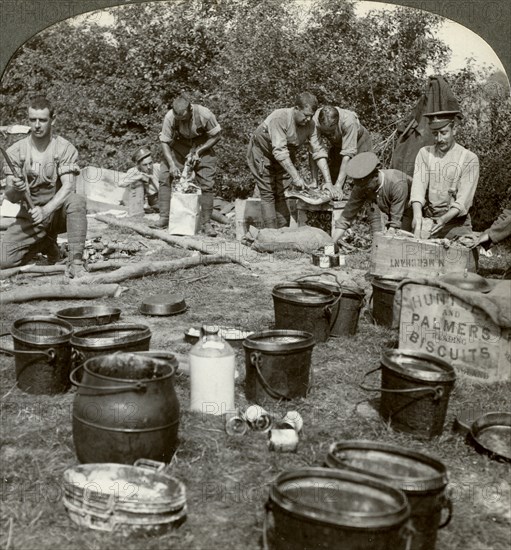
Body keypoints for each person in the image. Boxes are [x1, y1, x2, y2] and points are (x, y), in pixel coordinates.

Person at [0, 95, 87, 278]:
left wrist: (46, 210)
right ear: (28, 120)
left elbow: (68, 187)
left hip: (57, 214)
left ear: (52, 120)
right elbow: (11, 196)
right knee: (3, 260)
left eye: (42, 120)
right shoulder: (15, 151)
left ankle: (76, 262)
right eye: (33, 120)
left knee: (77, 201)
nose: (37, 125)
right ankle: (44, 242)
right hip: (30, 219)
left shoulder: (64, 148)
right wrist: (16, 188)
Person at [246, 92, 332, 229]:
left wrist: (328, 182)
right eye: (305, 115)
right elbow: (279, 151)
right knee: (268, 193)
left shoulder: (311, 125)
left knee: (282, 192)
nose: (308, 119)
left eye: (311, 115)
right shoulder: (280, 117)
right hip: (263, 152)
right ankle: (271, 234)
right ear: (296, 108)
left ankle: (284, 232)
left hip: (284, 153)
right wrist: (296, 177)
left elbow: (318, 151)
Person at [154, 95, 221, 236]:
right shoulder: (169, 117)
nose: (182, 121)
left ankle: (206, 223)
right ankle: (164, 218)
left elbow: (216, 136)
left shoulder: (205, 114)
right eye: (179, 119)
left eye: (184, 118)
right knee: (164, 176)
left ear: (190, 109)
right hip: (178, 146)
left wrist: (199, 151)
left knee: (207, 184)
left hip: (203, 146)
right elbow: (164, 141)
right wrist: (172, 164)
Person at [410, 110, 480, 239]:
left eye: (444, 133)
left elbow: (463, 200)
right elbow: (418, 188)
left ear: (454, 130)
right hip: (430, 222)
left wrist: (444, 219)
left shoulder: (469, 158)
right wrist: (417, 216)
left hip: (457, 225)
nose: (439, 139)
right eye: (435, 134)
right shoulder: (425, 153)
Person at [332, 152, 413, 243]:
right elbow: (346, 217)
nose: (363, 189)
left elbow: (395, 223)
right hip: (394, 211)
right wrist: (331, 243)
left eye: (366, 186)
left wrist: (391, 233)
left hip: (414, 212)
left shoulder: (397, 183)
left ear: (375, 177)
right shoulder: (362, 186)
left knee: (402, 245)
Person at [310, 105, 373, 198]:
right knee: (333, 179)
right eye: (325, 132)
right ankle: (333, 208)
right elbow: (315, 151)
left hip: (360, 140)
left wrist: (338, 186)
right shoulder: (314, 121)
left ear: (337, 122)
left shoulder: (349, 121)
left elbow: (347, 155)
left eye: (331, 131)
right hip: (338, 144)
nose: (328, 134)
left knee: (366, 178)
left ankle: (372, 210)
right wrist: (315, 181)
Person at [119, 146, 160, 213]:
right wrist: (139, 177)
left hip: (157, 198)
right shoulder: (134, 171)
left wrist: (152, 178)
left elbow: (165, 189)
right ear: (138, 165)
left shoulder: (157, 167)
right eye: (145, 165)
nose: (149, 167)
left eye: (150, 163)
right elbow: (120, 183)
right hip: (140, 200)